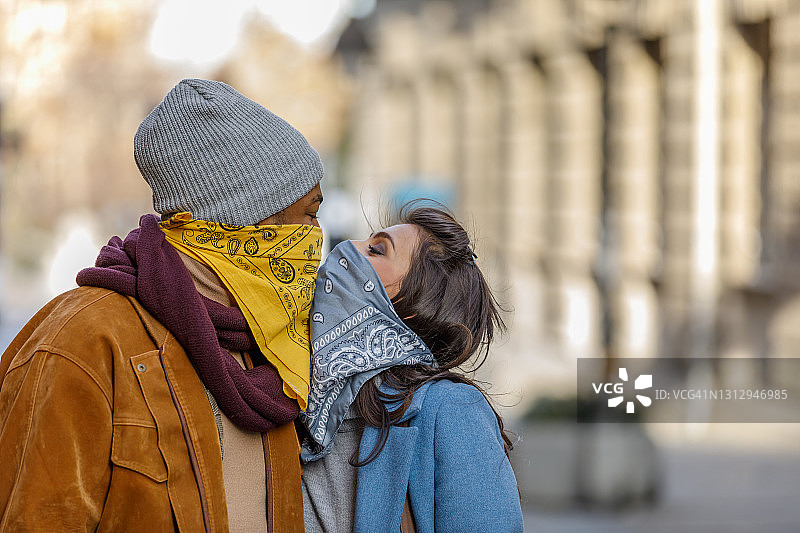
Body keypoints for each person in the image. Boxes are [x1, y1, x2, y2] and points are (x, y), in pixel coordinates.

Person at [0, 79, 324, 532]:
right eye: (310, 214)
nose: (316, 238)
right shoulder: (82, 341)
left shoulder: (272, 346)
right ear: (248, 221)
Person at [299, 203, 524, 533]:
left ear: (412, 308)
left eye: (377, 250)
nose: (348, 248)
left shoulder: (452, 410)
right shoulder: (294, 394)